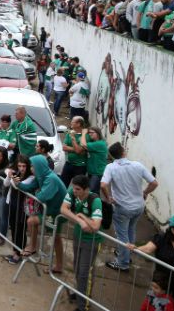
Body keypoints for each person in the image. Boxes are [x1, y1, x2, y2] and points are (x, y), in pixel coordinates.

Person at [102, 142, 159, 272]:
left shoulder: (111, 167)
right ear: (123, 152)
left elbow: (103, 185)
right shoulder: (137, 165)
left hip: (122, 207)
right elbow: (154, 183)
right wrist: (145, 192)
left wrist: (109, 197)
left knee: (122, 235)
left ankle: (123, 262)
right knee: (131, 230)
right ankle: (126, 254)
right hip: (138, 206)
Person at [129, 215, 174, 311]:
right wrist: (136, 248)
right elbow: (148, 248)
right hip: (163, 281)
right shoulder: (162, 238)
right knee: (155, 303)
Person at [60, 175, 103, 311]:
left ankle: (84, 305)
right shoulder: (73, 192)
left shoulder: (95, 201)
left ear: (86, 189)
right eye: (74, 188)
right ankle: (80, 293)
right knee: (77, 268)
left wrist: (83, 216)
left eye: (78, 189)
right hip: (78, 236)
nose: (74, 191)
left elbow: (95, 226)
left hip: (91, 242)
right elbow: (64, 209)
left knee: (85, 273)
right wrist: (79, 221)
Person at [18, 154, 67, 273]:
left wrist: (36, 194)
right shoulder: (41, 176)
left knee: (32, 221)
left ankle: (33, 247)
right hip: (51, 210)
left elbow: (42, 197)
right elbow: (29, 187)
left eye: (33, 167)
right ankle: (58, 265)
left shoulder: (51, 178)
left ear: (39, 167)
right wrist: (17, 183)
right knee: (56, 237)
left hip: (57, 212)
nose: (31, 169)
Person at [3, 155, 33, 264]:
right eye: (19, 166)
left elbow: (19, 186)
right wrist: (9, 175)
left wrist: (10, 176)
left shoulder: (31, 177)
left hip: (23, 208)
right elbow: (6, 184)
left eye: (24, 166)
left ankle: (19, 253)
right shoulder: (16, 174)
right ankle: (15, 251)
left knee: (21, 230)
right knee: (14, 228)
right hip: (13, 204)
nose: (21, 168)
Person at [60, 116, 88, 188]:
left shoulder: (85, 136)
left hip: (80, 166)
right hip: (69, 163)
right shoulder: (69, 133)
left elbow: (78, 151)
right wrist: (76, 149)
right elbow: (64, 147)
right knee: (62, 185)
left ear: (78, 124)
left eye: (72, 121)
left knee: (78, 187)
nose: (71, 123)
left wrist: (73, 138)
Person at [82, 127, 108, 194]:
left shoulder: (100, 144)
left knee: (91, 192)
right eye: (89, 133)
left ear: (98, 133)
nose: (90, 134)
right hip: (92, 172)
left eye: (92, 133)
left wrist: (84, 133)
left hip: (97, 173)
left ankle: (96, 204)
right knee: (95, 192)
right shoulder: (94, 143)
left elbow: (83, 144)